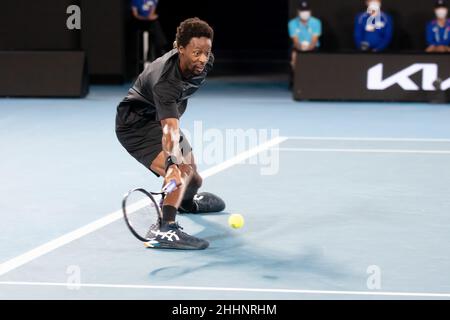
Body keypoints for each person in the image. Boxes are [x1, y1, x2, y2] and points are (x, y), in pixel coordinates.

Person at [115, 18, 225, 250]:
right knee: (180, 170)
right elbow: (169, 129)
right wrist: (172, 164)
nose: (203, 59)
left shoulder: (205, 62)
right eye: (196, 53)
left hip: (163, 120)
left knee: (194, 177)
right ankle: (165, 228)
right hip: (137, 126)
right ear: (179, 48)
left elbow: (171, 121)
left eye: (207, 52)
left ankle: (185, 203)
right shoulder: (165, 81)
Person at [288, 1, 322, 71]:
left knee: (314, 63)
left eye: (307, 10)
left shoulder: (316, 22)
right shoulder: (292, 23)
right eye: (302, 11)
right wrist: (301, 48)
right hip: (298, 48)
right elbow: (295, 41)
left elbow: (314, 40)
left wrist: (308, 48)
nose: (305, 13)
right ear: (298, 12)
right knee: (294, 57)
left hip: (313, 48)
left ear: (310, 11)